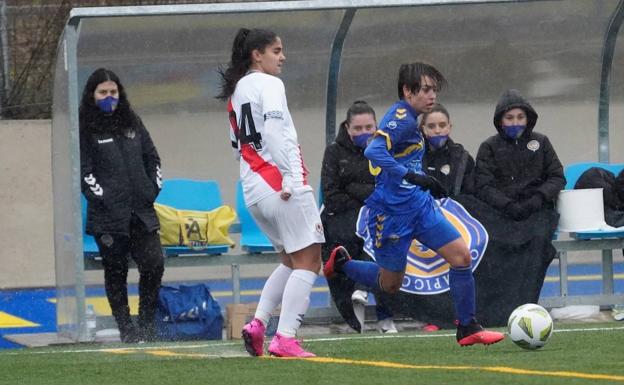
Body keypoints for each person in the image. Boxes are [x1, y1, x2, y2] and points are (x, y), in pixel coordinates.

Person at [324, 62, 505, 346]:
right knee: (390, 284)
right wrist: (410, 175)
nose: (432, 96)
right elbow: (373, 150)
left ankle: (467, 327)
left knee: (461, 257)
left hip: (419, 207)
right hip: (392, 215)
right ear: (408, 91)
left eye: (434, 90)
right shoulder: (402, 118)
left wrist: (419, 179)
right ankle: (344, 264)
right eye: (425, 90)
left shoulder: (412, 118)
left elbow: (403, 157)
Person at [217, 28, 324, 358]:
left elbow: (237, 146)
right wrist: (291, 178)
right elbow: (276, 132)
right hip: (280, 184)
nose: (283, 57)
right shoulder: (270, 84)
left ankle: (259, 324)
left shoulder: (237, 92)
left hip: (253, 187)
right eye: (276, 50)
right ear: (256, 55)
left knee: (290, 261)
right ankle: (286, 337)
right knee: (310, 260)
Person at [79, 68, 164, 343]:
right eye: (103, 93)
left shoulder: (132, 122)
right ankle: (126, 328)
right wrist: (103, 198)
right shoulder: (85, 127)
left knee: (154, 264)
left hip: (141, 212)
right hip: (107, 217)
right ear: (92, 95)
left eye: (113, 92)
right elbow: (84, 171)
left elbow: (152, 158)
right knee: (116, 272)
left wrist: (151, 189)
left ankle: (147, 326)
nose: (109, 97)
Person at [470, 88, 565, 325]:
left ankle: (529, 305)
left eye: (520, 117)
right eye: (509, 118)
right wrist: (507, 205)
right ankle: (495, 310)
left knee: (536, 246)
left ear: (528, 118)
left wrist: (537, 199)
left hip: (536, 211)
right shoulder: (489, 147)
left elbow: (556, 177)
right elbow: (483, 185)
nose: (515, 123)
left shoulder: (541, 142)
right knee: (493, 247)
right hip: (500, 214)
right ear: (500, 120)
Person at [321, 100, 397, 334]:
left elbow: (389, 186)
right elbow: (332, 195)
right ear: (347, 128)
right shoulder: (334, 152)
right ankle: (357, 313)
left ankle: (384, 314)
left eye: (368, 128)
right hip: (343, 217)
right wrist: (366, 197)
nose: (364, 133)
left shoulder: (385, 148)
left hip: (379, 215)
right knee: (355, 239)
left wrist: (354, 188)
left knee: (388, 238)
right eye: (358, 128)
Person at [421, 103, 475, 197]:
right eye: (431, 126)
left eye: (442, 125)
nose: (437, 131)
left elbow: (471, 195)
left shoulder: (463, 159)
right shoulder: (412, 157)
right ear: (424, 129)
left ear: (449, 127)